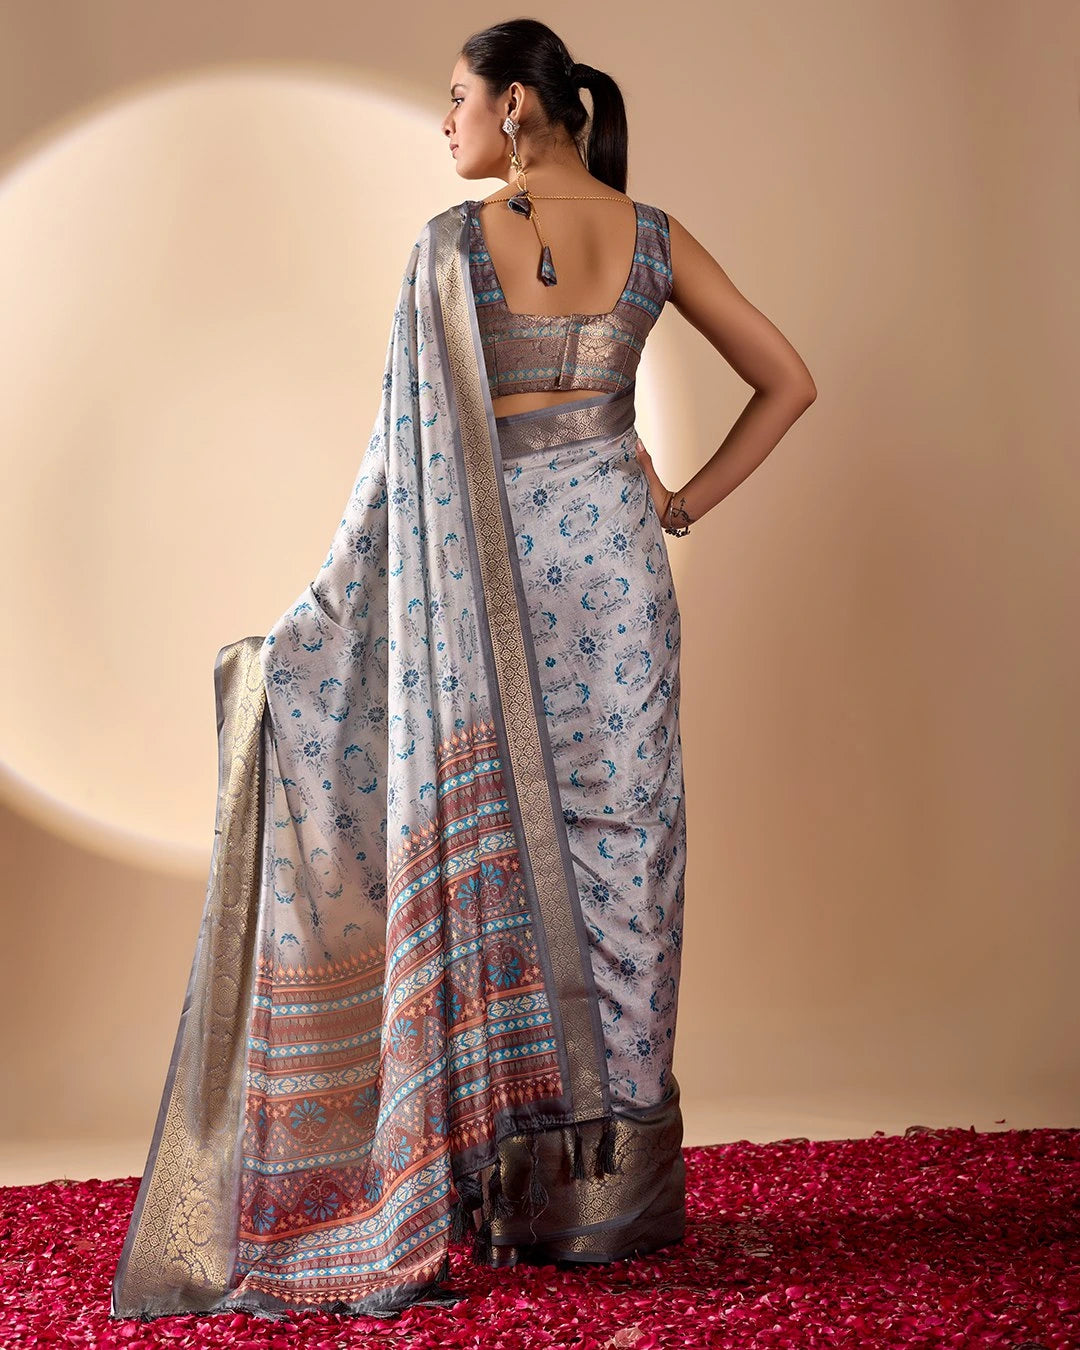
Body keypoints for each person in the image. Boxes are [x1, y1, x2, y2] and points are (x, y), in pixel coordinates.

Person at [110, 17, 816, 1324]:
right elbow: (790, 379)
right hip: (618, 571)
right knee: (626, 853)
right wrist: (685, 501)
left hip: (486, 594)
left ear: (518, 109)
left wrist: (306, 633)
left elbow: (394, 475)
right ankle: (615, 1196)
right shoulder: (653, 238)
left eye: (457, 101)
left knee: (505, 845)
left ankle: (518, 1174)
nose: (447, 125)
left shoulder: (446, 253)